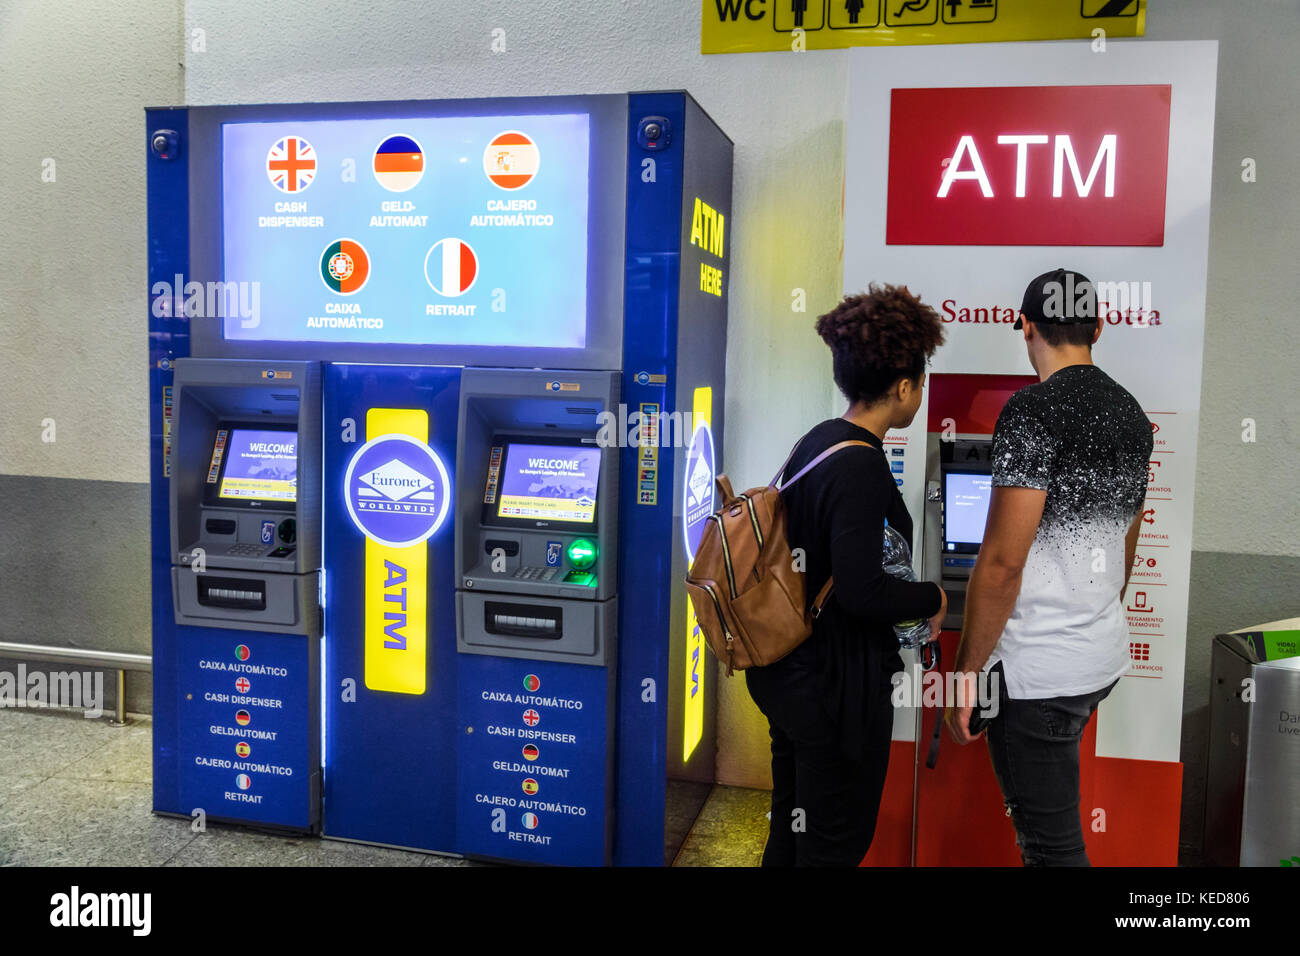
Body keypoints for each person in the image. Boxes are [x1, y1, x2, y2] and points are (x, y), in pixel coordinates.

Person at [945, 268, 1153, 867]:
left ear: (1026, 327)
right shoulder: (1131, 414)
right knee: (1047, 833)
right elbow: (1127, 545)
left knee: (1051, 849)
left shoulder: (1031, 412)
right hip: (1099, 657)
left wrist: (965, 675)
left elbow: (1003, 563)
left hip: (1038, 675)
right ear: (1098, 327)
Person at [746, 283, 948, 867]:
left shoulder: (817, 443)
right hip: (834, 690)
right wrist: (931, 595)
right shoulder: (860, 463)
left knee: (791, 828)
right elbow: (862, 590)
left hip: (786, 674)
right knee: (835, 842)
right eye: (921, 379)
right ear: (904, 386)